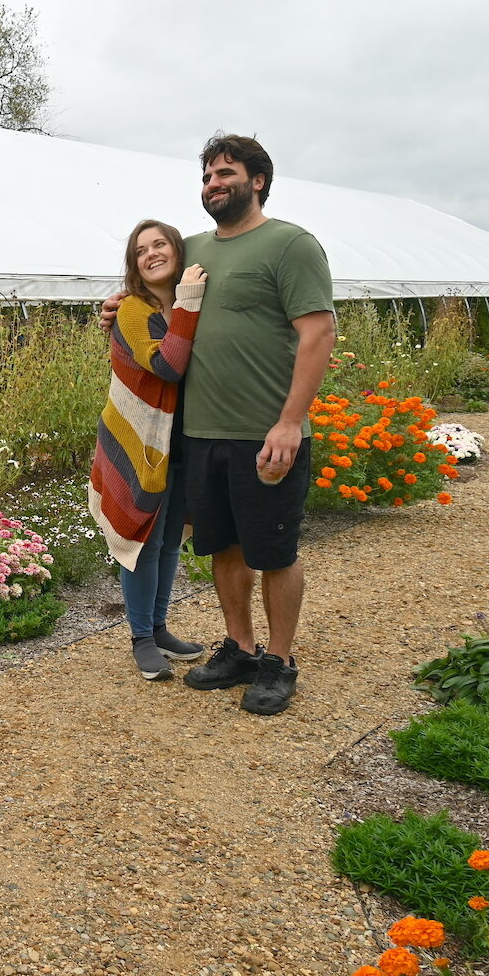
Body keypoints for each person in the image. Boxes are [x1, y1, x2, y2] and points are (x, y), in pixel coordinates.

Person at [99, 134, 335, 715]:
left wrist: (290, 422)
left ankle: (279, 662)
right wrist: (114, 304)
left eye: (225, 173)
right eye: (206, 177)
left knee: (274, 552)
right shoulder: (196, 246)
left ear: (257, 180)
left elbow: (318, 334)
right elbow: (150, 293)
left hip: (266, 433)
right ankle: (240, 648)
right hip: (199, 435)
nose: (213, 185)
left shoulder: (290, 245)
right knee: (223, 548)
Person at [87, 220, 208, 681]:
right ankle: (140, 637)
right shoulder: (134, 310)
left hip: (182, 439)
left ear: (178, 251)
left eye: (160, 245)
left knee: (170, 540)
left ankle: (159, 628)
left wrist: (187, 302)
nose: (152, 254)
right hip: (141, 442)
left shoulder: (186, 301)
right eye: (141, 250)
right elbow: (167, 365)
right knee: (143, 542)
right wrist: (189, 303)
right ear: (134, 265)